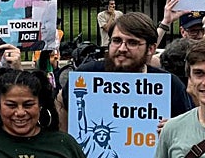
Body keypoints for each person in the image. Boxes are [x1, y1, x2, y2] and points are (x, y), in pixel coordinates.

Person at [57, 12, 192, 132]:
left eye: (132, 43)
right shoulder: (86, 75)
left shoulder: (169, 85)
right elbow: (61, 102)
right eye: (116, 41)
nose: (122, 48)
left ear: (151, 49)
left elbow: (189, 126)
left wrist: (175, 128)